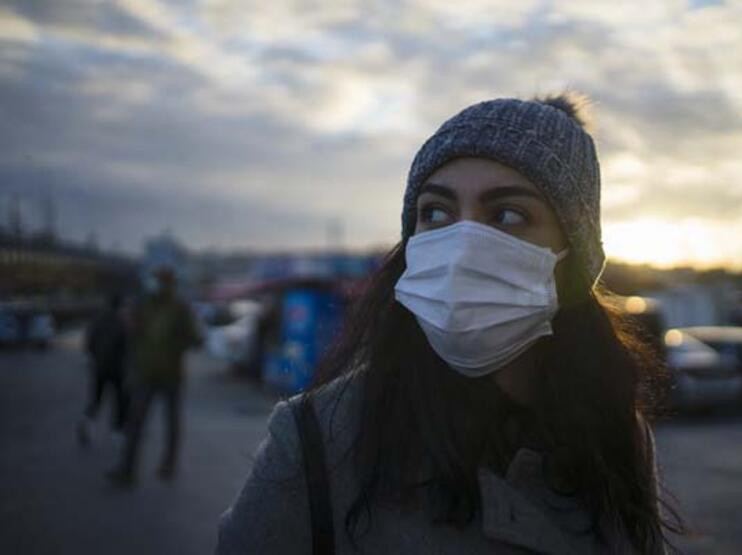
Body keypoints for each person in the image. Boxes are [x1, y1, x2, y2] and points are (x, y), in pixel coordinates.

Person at [217, 94, 684, 553]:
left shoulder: (618, 435)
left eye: (507, 214)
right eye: (436, 212)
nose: (461, 246)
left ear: (573, 260)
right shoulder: (315, 439)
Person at [107, 266, 201, 486]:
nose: (156, 284)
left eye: (160, 281)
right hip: (145, 374)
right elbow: (134, 336)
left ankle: (168, 464)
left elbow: (195, 339)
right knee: (135, 422)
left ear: (169, 283)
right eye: (155, 280)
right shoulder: (145, 305)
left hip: (171, 375)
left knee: (172, 422)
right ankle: (127, 470)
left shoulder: (180, 308)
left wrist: (174, 344)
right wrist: (130, 325)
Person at [77, 293, 129, 447]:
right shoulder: (121, 323)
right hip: (117, 369)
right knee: (120, 401)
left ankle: (86, 421)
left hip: (98, 367)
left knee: (96, 400)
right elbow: (126, 346)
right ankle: (117, 432)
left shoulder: (97, 320)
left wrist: (95, 358)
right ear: (120, 306)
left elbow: (89, 343)